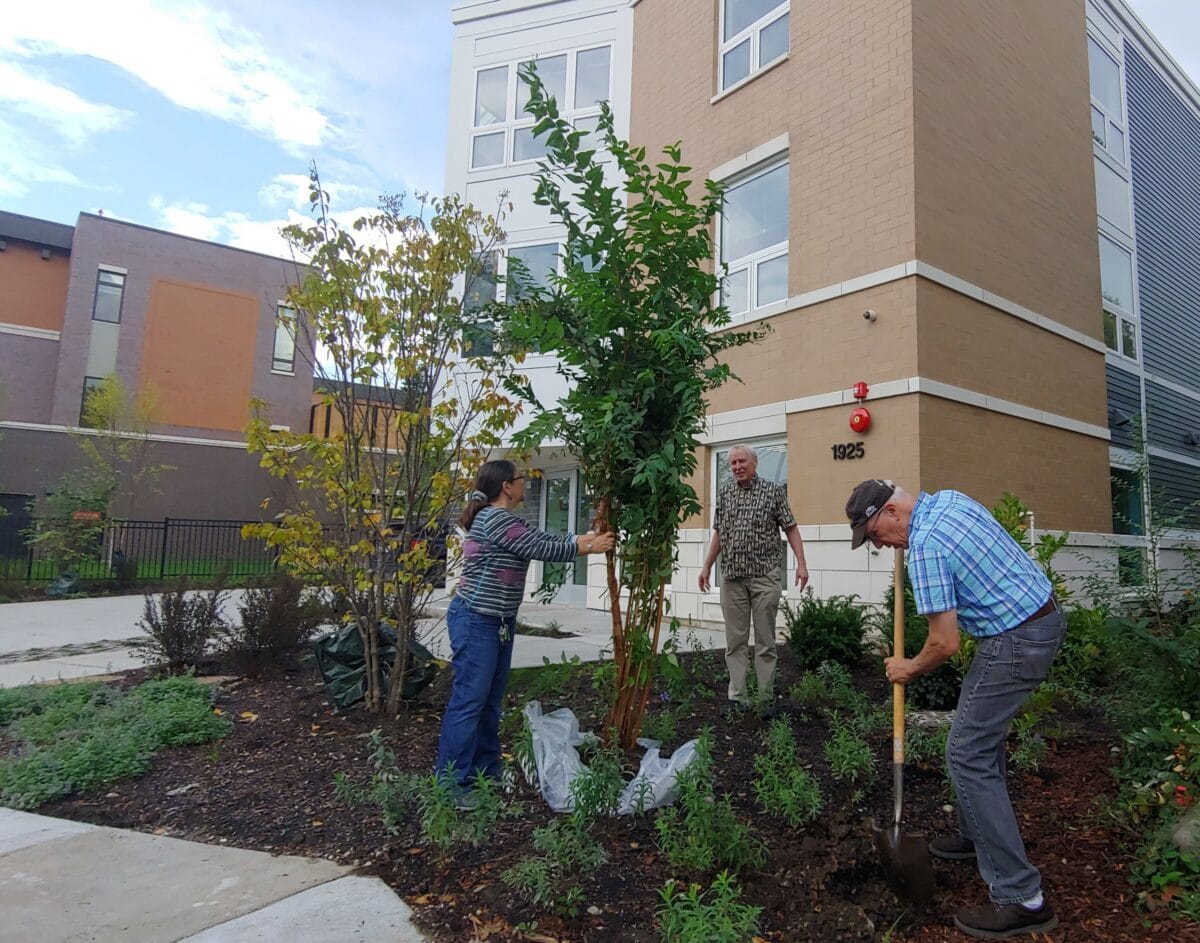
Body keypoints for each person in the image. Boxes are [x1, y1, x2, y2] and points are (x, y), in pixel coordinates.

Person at [845, 479, 1064, 940]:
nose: (881, 547)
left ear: (889, 513)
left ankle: (1021, 897)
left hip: (1015, 642)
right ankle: (974, 834)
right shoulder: (949, 500)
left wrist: (907, 668)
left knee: (965, 753)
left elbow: (944, 643)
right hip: (1040, 621)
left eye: (876, 536)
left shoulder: (924, 547)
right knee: (981, 743)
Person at [435, 459, 615, 806]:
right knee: (470, 701)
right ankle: (451, 785)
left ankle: (485, 775)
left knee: (489, 703)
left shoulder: (501, 519)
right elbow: (540, 547)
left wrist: (582, 538)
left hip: (496, 622)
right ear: (506, 486)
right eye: (520, 480)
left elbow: (539, 537)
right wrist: (588, 546)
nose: (525, 485)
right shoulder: (494, 518)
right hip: (476, 620)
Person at [698, 444, 809, 707]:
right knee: (735, 641)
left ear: (754, 462)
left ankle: (765, 697)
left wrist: (801, 564)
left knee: (765, 641)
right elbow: (719, 534)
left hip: (764, 577)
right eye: (733, 463)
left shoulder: (773, 492)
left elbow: (791, 528)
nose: (737, 467)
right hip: (732, 579)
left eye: (741, 461)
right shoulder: (725, 495)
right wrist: (706, 566)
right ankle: (737, 697)